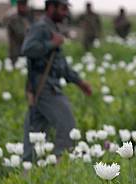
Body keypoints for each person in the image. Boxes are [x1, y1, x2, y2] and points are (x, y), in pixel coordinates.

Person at [21, 0, 92, 162]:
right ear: (51, 7)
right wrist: (51, 43)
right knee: (67, 126)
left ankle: (27, 170)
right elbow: (27, 49)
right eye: (63, 8)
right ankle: (61, 165)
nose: (66, 12)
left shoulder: (52, 27)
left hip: (45, 85)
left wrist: (79, 82)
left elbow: (60, 65)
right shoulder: (40, 27)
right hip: (44, 86)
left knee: (35, 131)